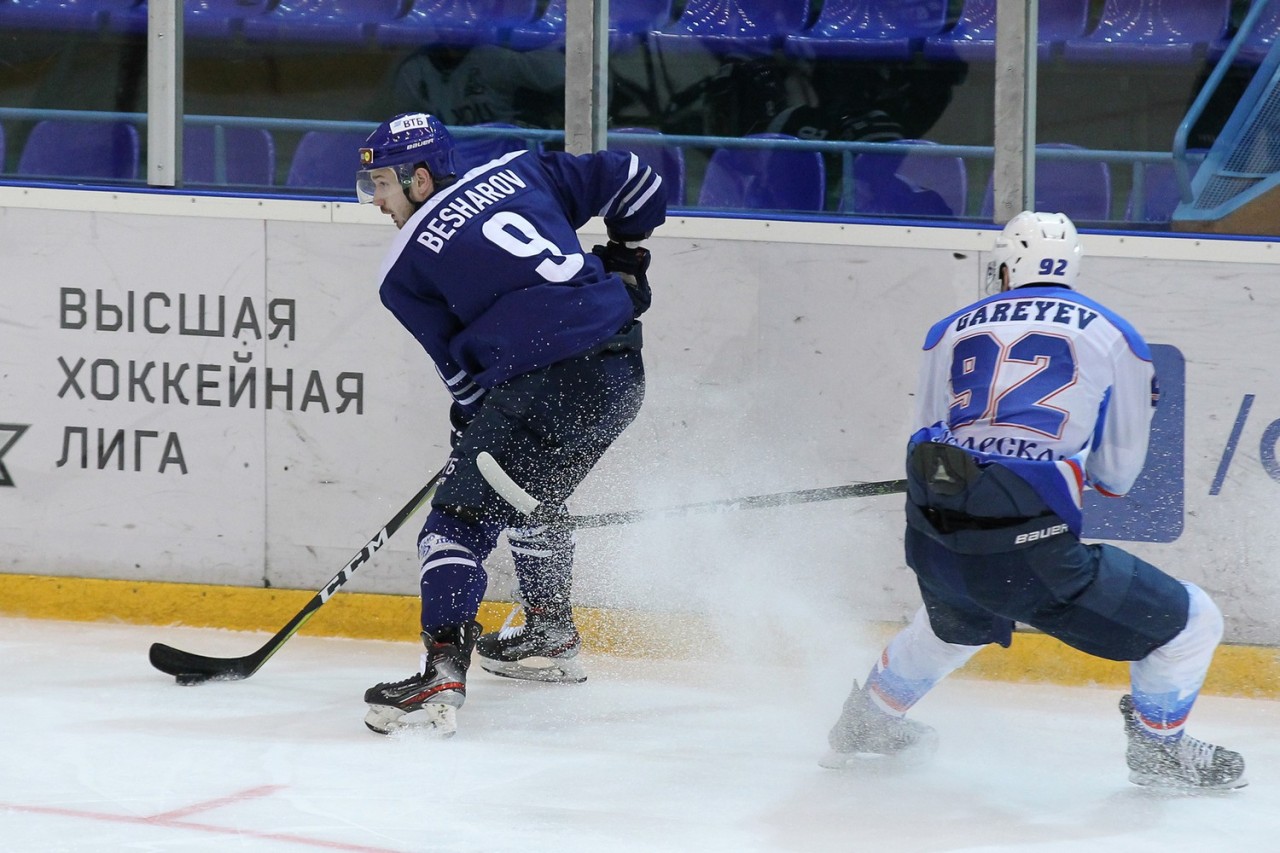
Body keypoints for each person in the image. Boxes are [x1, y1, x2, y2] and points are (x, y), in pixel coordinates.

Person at [822, 211, 1246, 791]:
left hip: (931, 530)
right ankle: (1159, 750)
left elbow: (930, 432)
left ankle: (866, 721)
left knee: (954, 625)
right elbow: (1116, 476)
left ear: (1004, 266)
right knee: (1193, 622)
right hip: (1027, 546)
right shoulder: (1114, 334)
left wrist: (984, 460)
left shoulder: (948, 328)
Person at [354, 112, 666, 735]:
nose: (377, 202)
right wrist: (626, 260)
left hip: (545, 381)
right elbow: (639, 179)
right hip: (619, 369)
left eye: (382, 185)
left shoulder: (403, 271)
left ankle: (441, 675)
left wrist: (471, 432)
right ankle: (549, 637)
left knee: (457, 523)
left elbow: (464, 380)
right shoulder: (522, 170)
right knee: (531, 497)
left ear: (420, 178)